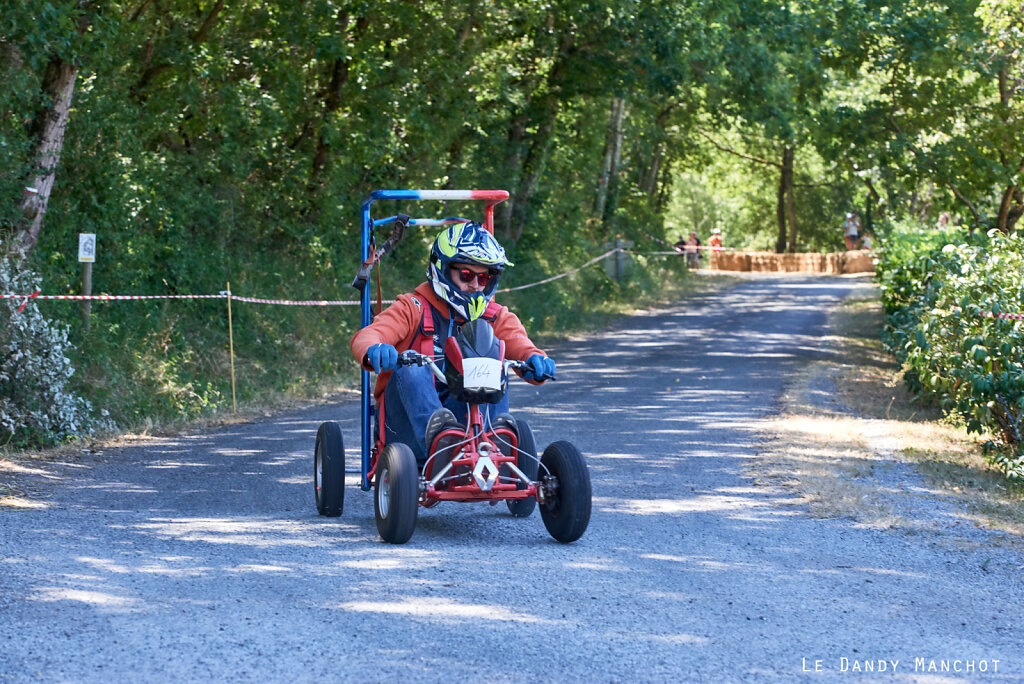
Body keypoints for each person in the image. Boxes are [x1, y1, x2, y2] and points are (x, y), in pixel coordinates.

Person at [350, 221, 555, 465]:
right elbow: (369, 335)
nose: (476, 285)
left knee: (495, 361)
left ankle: (496, 441)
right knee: (412, 366)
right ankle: (442, 439)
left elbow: (519, 343)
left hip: (468, 424)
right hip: (404, 430)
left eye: (484, 277)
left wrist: (534, 358)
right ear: (443, 269)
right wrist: (376, 348)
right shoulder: (412, 307)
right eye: (467, 275)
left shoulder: (494, 315)